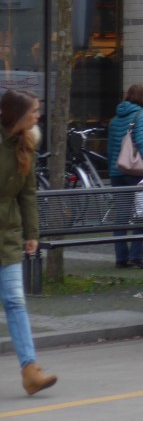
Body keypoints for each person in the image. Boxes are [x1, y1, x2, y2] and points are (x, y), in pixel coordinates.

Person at [0, 89, 58, 396]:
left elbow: (28, 193)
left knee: (15, 302)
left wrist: (32, 233)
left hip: (7, 235)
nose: (38, 116)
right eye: (34, 111)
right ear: (17, 115)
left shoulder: (27, 144)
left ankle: (30, 370)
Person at [107, 84, 143, 270]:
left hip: (117, 171)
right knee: (142, 214)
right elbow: (142, 142)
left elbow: (111, 148)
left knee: (122, 216)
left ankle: (121, 258)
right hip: (137, 172)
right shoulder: (141, 116)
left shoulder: (115, 119)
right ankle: (136, 255)